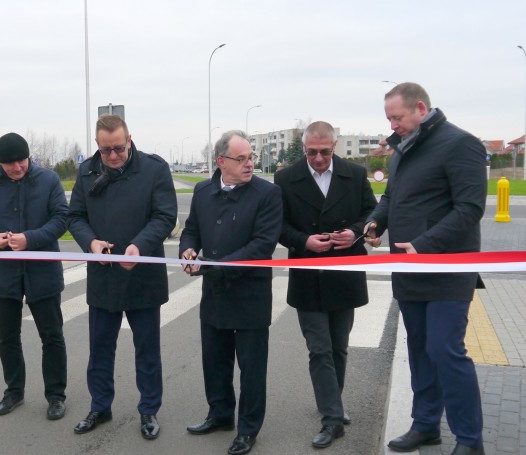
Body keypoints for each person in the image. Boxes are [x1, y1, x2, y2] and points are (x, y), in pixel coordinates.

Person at [365, 83, 487, 455]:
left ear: (420, 108)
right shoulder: (403, 149)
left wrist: (426, 244)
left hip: (448, 268)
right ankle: (426, 424)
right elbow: (392, 197)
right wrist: (374, 223)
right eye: (388, 118)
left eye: (397, 117)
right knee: (419, 349)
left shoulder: (460, 144)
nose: (392, 125)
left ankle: (470, 440)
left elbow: (469, 208)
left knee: (445, 349)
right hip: (409, 267)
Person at [67, 114, 177, 440]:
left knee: (147, 349)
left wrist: (139, 246)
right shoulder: (87, 172)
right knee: (100, 348)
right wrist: (91, 243)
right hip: (103, 276)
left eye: (118, 148)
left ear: (129, 140)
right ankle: (100, 406)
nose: (113, 156)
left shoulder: (154, 170)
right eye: (105, 150)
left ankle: (149, 410)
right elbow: (75, 216)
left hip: (142, 273)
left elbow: (165, 215)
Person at [274, 121, 378, 448]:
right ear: (304, 149)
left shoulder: (355, 173)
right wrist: (304, 240)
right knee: (319, 349)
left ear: (334, 146)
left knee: (338, 347)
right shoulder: (286, 178)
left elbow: (373, 212)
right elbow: (277, 226)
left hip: (345, 273)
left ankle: (333, 402)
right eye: (311, 152)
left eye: (324, 151)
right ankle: (332, 418)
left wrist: (358, 231)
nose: (318, 158)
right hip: (308, 276)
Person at [179, 130, 282, 455]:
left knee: (251, 368)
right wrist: (188, 250)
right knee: (215, 361)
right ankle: (220, 414)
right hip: (215, 294)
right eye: (242, 159)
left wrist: (212, 264)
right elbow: (191, 229)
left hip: (250, 295)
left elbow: (262, 245)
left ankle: (248, 429)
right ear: (221, 161)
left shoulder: (267, 194)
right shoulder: (202, 191)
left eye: (251, 157)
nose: (250, 163)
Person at [0, 132, 69, 421]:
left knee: (52, 336)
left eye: (21, 161)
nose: (17, 168)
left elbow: (62, 218)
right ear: (0, 164)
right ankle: (14, 391)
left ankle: (56, 396)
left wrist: (30, 239)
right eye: (9, 164)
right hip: (3, 275)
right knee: (7, 336)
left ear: (28, 157)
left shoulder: (48, 180)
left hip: (42, 272)